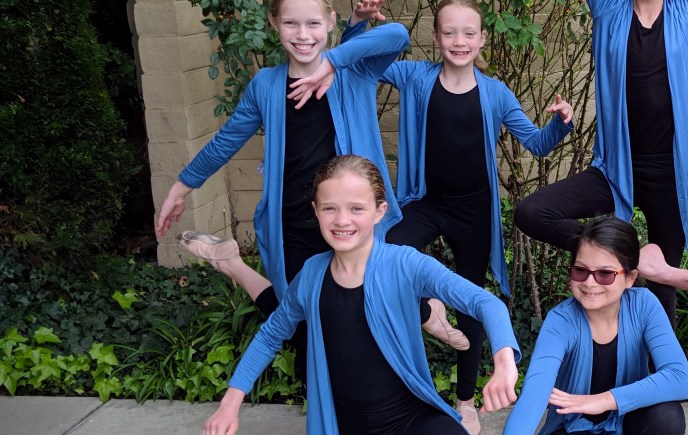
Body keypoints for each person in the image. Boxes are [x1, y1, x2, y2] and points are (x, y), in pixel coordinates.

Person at [153, 0, 411, 383]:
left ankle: (232, 264)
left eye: (313, 23)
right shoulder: (266, 85)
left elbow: (397, 35)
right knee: (300, 325)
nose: (303, 35)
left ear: (330, 22)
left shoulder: (352, 71)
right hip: (293, 224)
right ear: (274, 23)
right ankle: (322, 404)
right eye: (291, 23)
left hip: (348, 223)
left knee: (359, 314)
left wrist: (333, 60)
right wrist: (181, 187)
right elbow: (227, 141)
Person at [196, 155, 521, 435]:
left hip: (411, 420)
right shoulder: (312, 275)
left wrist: (504, 359)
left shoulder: (406, 264)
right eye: (330, 208)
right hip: (344, 425)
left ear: (380, 211)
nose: (342, 220)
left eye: (356, 208)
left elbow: (485, 302)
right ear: (316, 210)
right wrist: (231, 402)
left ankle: (433, 315)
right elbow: (272, 333)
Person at [364, 0, 573, 431]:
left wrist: (561, 123)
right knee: (380, 251)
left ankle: (464, 401)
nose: (459, 41)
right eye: (449, 32)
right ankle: (428, 312)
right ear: (436, 37)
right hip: (426, 201)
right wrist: (358, 24)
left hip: (474, 213)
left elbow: (537, 143)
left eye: (468, 33)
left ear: (482, 39)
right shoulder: (415, 76)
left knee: (471, 306)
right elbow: (363, 64)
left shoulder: (495, 92)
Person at [513, 0, 688, 327]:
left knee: (661, 296)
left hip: (674, 179)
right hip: (616, 171)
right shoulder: (608, 8)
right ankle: (628, 255)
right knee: (532, 212)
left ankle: (661, 361)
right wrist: (618, 250)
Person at [504, 217, 688, 435]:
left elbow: (680, 378)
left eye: (605, 273)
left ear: (630, 278)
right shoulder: (561, 320)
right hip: (573, 428)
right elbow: (535, 392)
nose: (589, 283)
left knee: (667, 417)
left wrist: (605, 400)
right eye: (580, 270)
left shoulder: (643, 305)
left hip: (628, 421)